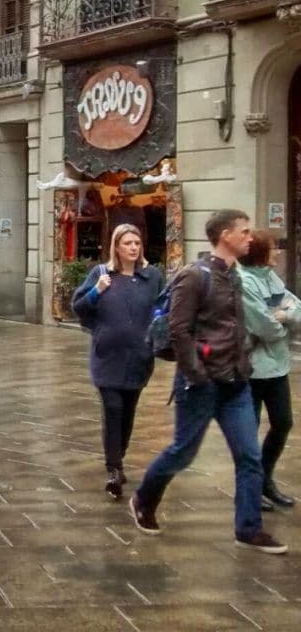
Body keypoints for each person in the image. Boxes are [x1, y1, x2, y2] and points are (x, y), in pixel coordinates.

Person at [130, 209, 287, 555]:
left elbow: (238, 326)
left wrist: (242, 363)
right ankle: (144, 498)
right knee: (182, 453)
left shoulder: (236, 275)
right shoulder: (194, 275)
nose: (250, 237)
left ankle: (248, 529)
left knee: (249, 456)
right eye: (244, 231)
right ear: (225, 235)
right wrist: (195, 373)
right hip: (201, 384)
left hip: (235, 382)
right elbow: (179, 329)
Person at [71, 224, 164, 501]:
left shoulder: (152, 277)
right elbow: (78, 307)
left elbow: (162, 308)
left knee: (128, 412)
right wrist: (96, 291)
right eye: (127, 243)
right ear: (116, 247)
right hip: (107, 356)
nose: (134, 247)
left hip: (138, 356)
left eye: (137, 242)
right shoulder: (100, 274)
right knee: (112, 408)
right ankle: (113, 468)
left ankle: (118, 455)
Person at [237, 230, 301, 510]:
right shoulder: (244, 281)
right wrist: (282, 323)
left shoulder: (271, 278)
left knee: (283, 423)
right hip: (251, 370)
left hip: (277, 367)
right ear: (262, 253)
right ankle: (249, 492)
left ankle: (265, 480)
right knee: (247, 435)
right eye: (273, 248)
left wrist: (285, 315)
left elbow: (296, 307)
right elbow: (263, 325)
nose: (277, 252)